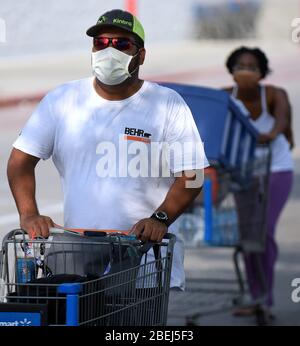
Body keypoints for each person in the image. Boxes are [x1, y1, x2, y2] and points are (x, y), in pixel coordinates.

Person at [7, 9, 209, 291]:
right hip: (77, 256)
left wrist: (160, 218)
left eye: (121, 44)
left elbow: (194, 175)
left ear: (141, 55)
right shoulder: (63, 100)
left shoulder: (167, 104)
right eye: (101, 43)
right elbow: (20, 161)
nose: (108, 50)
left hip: (145, 256)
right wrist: (29, 214)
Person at [223, 46, 294, 316]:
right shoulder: (226, 97)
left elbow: (282, 122)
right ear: (231, 70)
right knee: (248, 236)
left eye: (252, 67)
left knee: (264, 232)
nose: (246, 71)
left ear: (262, 72)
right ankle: (254, 296)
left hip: (276, 168)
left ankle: (265, 298)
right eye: (241, 66)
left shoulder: (275, 94)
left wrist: (272, 133)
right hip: (243, 173)